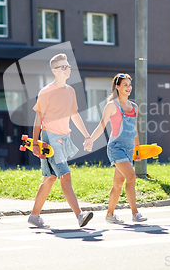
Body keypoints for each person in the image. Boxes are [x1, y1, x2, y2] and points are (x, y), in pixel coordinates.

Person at [28, 53, 94, 228]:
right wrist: (35, 143)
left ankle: (34, 216)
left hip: (64, 138)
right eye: (63, 67)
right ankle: (80, 215)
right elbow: (38, 119)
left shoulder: (70, 91)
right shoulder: (46, 92)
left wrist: (87, 136)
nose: (67, 69)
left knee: (49, 178)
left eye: (68, 66)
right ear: (54, 70)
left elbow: (74, 115)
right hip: (50, 138)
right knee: (65, 175)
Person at [89, 73, 147, 224]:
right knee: (132, 177)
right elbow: (101, 125)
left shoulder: (134, 107)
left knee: (118, 183)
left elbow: (135, 130)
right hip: (116, 147)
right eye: (125, 85)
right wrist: (90, 140)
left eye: (130, 84)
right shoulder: (111, 106)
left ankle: (110, 215)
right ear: (118, 87)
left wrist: (137, 149)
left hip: (128, 149)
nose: (129, 87)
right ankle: (135, 213)